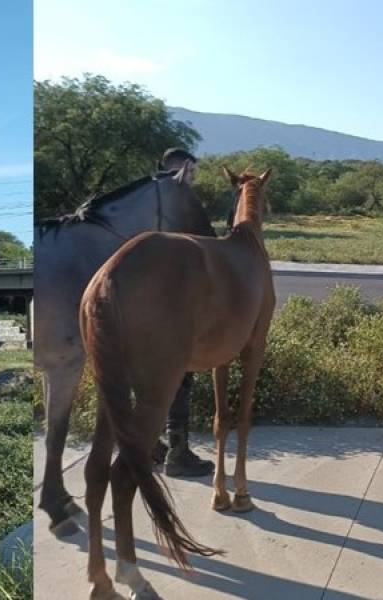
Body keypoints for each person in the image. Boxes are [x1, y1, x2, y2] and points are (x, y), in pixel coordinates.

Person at [158, 148, 215, 478]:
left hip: (144, 294)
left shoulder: (148, 197)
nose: (193, 178)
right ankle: (177, 454)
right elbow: (208, 243)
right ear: (182, 170)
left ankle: (151, 444)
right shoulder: (183, 200)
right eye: (191, 172)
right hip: (176, 297)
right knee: (181, 374)